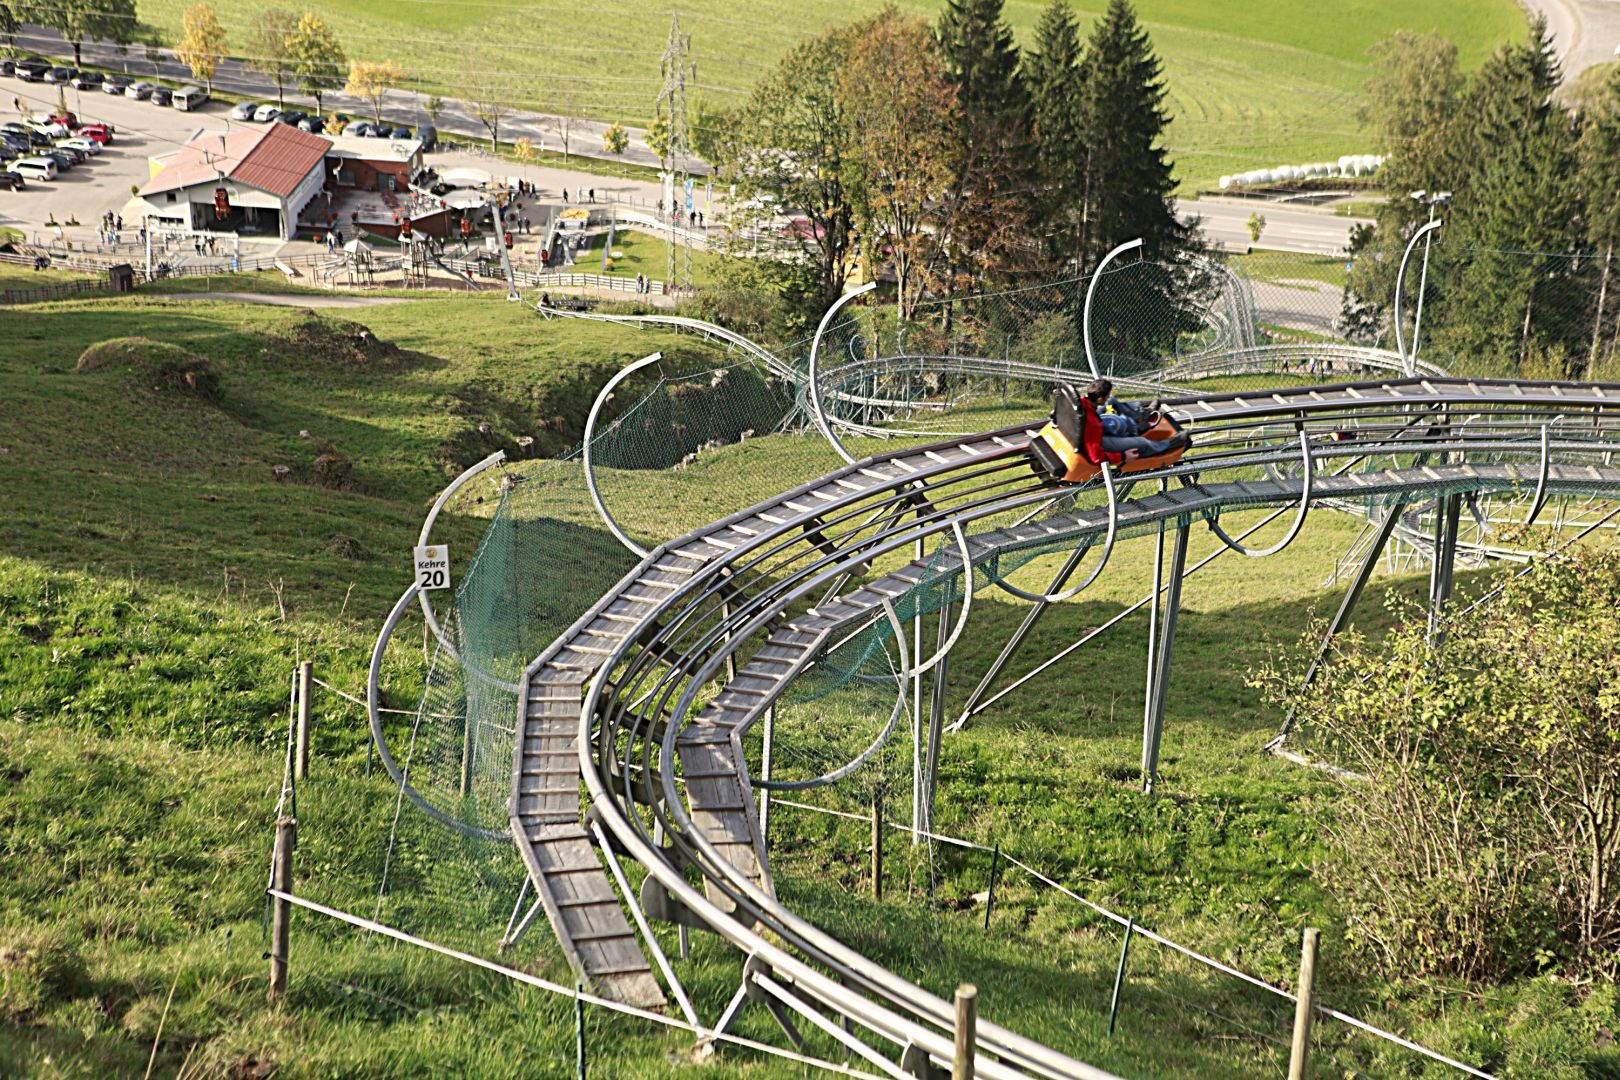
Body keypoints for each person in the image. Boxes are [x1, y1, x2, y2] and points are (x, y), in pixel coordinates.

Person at [1081, 379, 1187, 462]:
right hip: (1100, 441)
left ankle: (1140, 416)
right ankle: (1168, 444)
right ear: (1099, 399)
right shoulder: (1093, 425)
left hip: (1088, 426)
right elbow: (1096, 456)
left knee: (1112, 401)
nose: (1108, 396)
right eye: (1106, 395)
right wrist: (1122, 456)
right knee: (1142, 442)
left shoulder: (1081, 402)